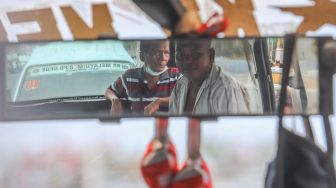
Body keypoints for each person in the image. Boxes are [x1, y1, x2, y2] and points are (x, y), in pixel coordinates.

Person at [168, 39, 248, 187]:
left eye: (195, 55)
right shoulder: (180, 85)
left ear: (211, 56)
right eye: (180, 55)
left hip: (220, 169)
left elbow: (234, 139)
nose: (187, 61)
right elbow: (174, 126)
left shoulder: (225, 88)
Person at [105, 40, 181, 188]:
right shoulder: (129, 77)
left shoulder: (176, 76)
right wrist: (115, 100)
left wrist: (159, 102)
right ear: (142, 55)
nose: (163, 58)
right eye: (156, 52)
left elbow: (187, 96)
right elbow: (109, 90)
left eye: (166, 52)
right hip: (136, 133)